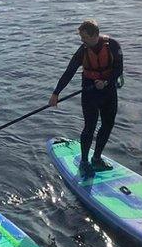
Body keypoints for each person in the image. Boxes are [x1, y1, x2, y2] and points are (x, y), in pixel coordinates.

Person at [49, 19, 123, 175]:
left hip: (108, 91)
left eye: (84, 37)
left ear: (94, 35)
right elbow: (69, 72)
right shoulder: (83, 50)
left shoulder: (113, 46)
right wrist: (56, 93)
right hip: (90, 92)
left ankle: (96, 158)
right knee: (90, 126)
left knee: (108, 125)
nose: (82, 41)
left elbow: (118, 69)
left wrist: (106, 81)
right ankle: (84, 161)